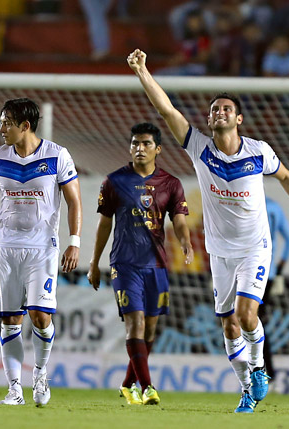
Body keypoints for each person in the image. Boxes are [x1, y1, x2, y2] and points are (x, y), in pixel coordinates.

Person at [126, 48, 289, 413]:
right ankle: (247, 388)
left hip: (255, 248)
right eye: (215, 109)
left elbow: (285, 176)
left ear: (239, 119)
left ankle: (259, 368)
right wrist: (142, 71)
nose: (219, 112)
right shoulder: (200, 148)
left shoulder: (259, 151)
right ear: (209, 119)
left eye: (226, 109)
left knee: (247, 315)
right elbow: (167, 110)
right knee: (229, 326)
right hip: (219, 252)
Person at [0, 98, 82, 406]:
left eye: (6, 123)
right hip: (7, 247)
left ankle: (40, 374)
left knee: (40, 316)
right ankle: (14, 389)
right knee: (10, 320)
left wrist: (74, 241)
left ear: (25, 126)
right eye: (1, 123)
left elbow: (74, 201)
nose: (1, 129)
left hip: (42, 247)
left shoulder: (57, 156)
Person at [87, 122, 193, 406]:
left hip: (156, 265)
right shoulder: (114, 181)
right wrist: (94, 262)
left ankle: (127, 385)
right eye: (135, 143)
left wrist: (185, 242)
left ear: (158, 149)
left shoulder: (171, 183)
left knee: (149, 331)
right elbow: (104, 224)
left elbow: (179, 221)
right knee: (136, 323)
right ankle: (147, 388)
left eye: (146, 143)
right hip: (124, 264)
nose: (140, 148)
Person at [260, 197, 289, 383]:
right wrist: (279, 268)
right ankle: (266, 371)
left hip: (249, 270)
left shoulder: (247, 201)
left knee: (247, 322)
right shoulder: (275, 206)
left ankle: (262, 371)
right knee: (255, 322)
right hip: (269, 273)